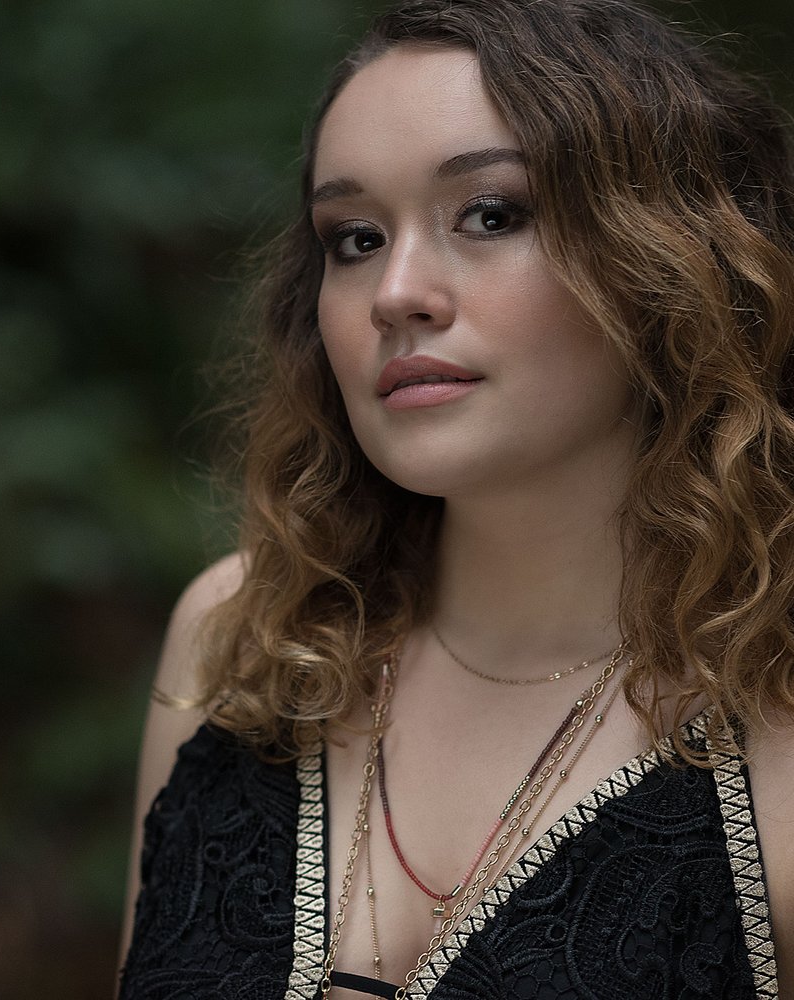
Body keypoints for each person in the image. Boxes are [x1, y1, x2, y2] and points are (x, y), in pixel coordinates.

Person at [118, 0, 794, 996]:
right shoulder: (241, 638)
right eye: (354, 237)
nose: (395, 292)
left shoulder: (773, 733)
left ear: (670, 258)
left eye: (490, 215)